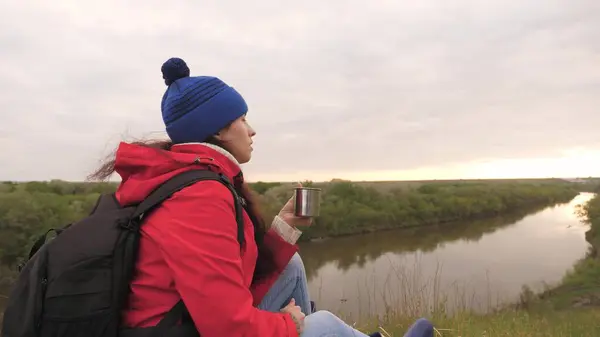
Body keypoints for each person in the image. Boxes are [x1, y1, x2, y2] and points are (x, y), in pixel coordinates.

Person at [88, 57, 434, 337]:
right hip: (179, 329)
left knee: (291, 266)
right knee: (321, 323)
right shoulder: (199, 198)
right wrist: (291, 325)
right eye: (241, 118)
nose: (251, 130)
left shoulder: (190, 180)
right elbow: (226, 327)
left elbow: (233, 279)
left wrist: (284, 228)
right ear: (219, 130)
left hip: (183, 321)